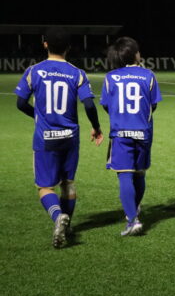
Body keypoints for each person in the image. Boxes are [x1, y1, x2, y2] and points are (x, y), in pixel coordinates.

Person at [15, 27, 103, 248]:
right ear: (69, 47)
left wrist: (37, 115)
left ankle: (58, 217)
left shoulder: (34, 71)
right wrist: (96, 127)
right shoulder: (77, 73)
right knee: (68, 184)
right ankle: (67, 225)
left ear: (45, 44)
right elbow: (89, 104)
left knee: (45, 187)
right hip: (70, 138)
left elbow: (20, 103)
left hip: (45, 138)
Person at [101, 37, 162, 235]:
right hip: (143, 131)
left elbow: (106, 105)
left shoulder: (111, 77)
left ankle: (132, 220)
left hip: (121, 132)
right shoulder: (148, 75)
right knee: (140, 173)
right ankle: (133, 210)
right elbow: (153, 105)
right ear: (135, 54)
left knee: (125, 174)